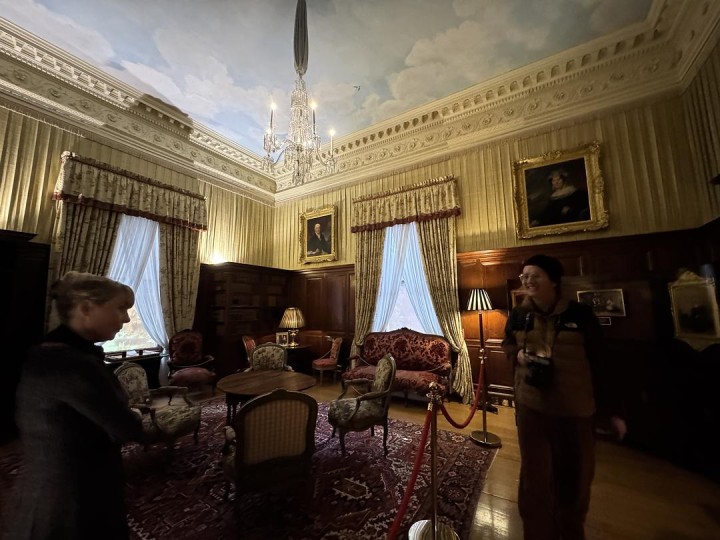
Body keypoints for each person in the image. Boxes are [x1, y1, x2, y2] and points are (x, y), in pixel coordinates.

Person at [5, 272, 144, 540]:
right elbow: (126, 427)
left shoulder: (48, 352)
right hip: (74, 498)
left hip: (49, 487)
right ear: (86, 309)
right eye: (120, 308)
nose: (126, 319)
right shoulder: (73, 364)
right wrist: (135, 414)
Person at [502, 255, 626, 540]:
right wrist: (517, 354)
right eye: (524, 276)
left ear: (554, 280)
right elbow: (508, 343)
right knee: (534, 480)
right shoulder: (519, 314)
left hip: (574, 410)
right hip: (532, 406)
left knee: (574, 480)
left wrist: (613, 411)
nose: (528, 281)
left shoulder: (580, 315)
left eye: (535, 275)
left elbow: (601, 364)